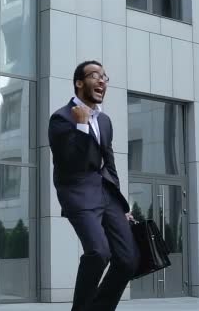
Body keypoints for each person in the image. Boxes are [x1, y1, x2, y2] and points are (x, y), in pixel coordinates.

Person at [48, 60, 139, 311]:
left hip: (105, 192)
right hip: (77, 191)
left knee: (128, 260)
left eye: (104, 77)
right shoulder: (61, 118)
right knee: (99, 253)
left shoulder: (105, 121)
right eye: (94, 76)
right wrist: (80, 126)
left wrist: (121, 204)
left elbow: (108, 162)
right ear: (79, 83)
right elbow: (68, 163)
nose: (101, 81)